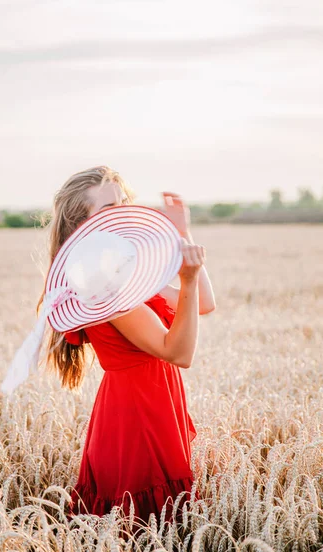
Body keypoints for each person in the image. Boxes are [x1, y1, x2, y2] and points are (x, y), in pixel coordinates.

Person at [37, 165, 216, 525]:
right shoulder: (101, 282)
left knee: (160, 522)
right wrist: (189, 278)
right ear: (80, 224)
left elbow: (203, 305)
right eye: (107, 208)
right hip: (137, 412)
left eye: (122, 203)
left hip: (155, 397)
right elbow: (178, 353)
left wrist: (182, 233)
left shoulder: (120, 269)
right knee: (141, 521)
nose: (120, 214)